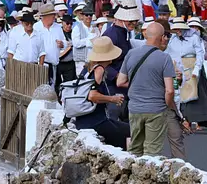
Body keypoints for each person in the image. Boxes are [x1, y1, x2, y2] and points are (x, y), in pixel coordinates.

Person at [117, 20, 183, 157]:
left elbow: (120, 81)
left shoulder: (131, 54)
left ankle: (132, 176)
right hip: (156, 109)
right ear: (161, 37)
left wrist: (140, 84)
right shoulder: (165, 58)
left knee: (135, 148)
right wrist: (168, 105)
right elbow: (170, 90)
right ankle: (146, 177)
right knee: (151, 151)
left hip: (135, 108)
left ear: (146, 35)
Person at [68, 36, 130, 148]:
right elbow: (92, 95)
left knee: (123, 128)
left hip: (84, 119)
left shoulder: (87, 68)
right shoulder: (99, 69)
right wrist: (112, 99)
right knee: (126, 132)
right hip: (96, 121)